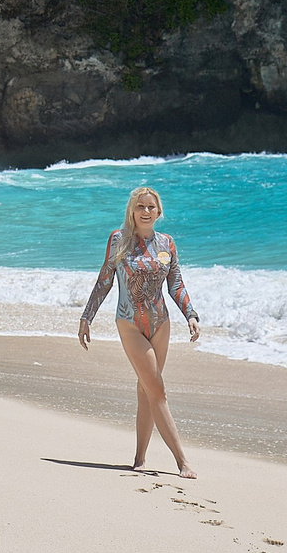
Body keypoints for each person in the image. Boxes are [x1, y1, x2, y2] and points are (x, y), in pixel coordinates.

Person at [78, 186, 200, 477]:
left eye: (151, 207)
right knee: (158, 389)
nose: (146, 212)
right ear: (131, 211)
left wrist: (191, 314)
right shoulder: (119, 240)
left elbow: (176, 284)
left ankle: (139, 458)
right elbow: (105, 280)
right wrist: (87, 316)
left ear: (159, 212)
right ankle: (182, 462)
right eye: (140, 207)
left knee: (147, 390)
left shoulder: (167, 243)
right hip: (129, 323)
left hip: (160, 323)